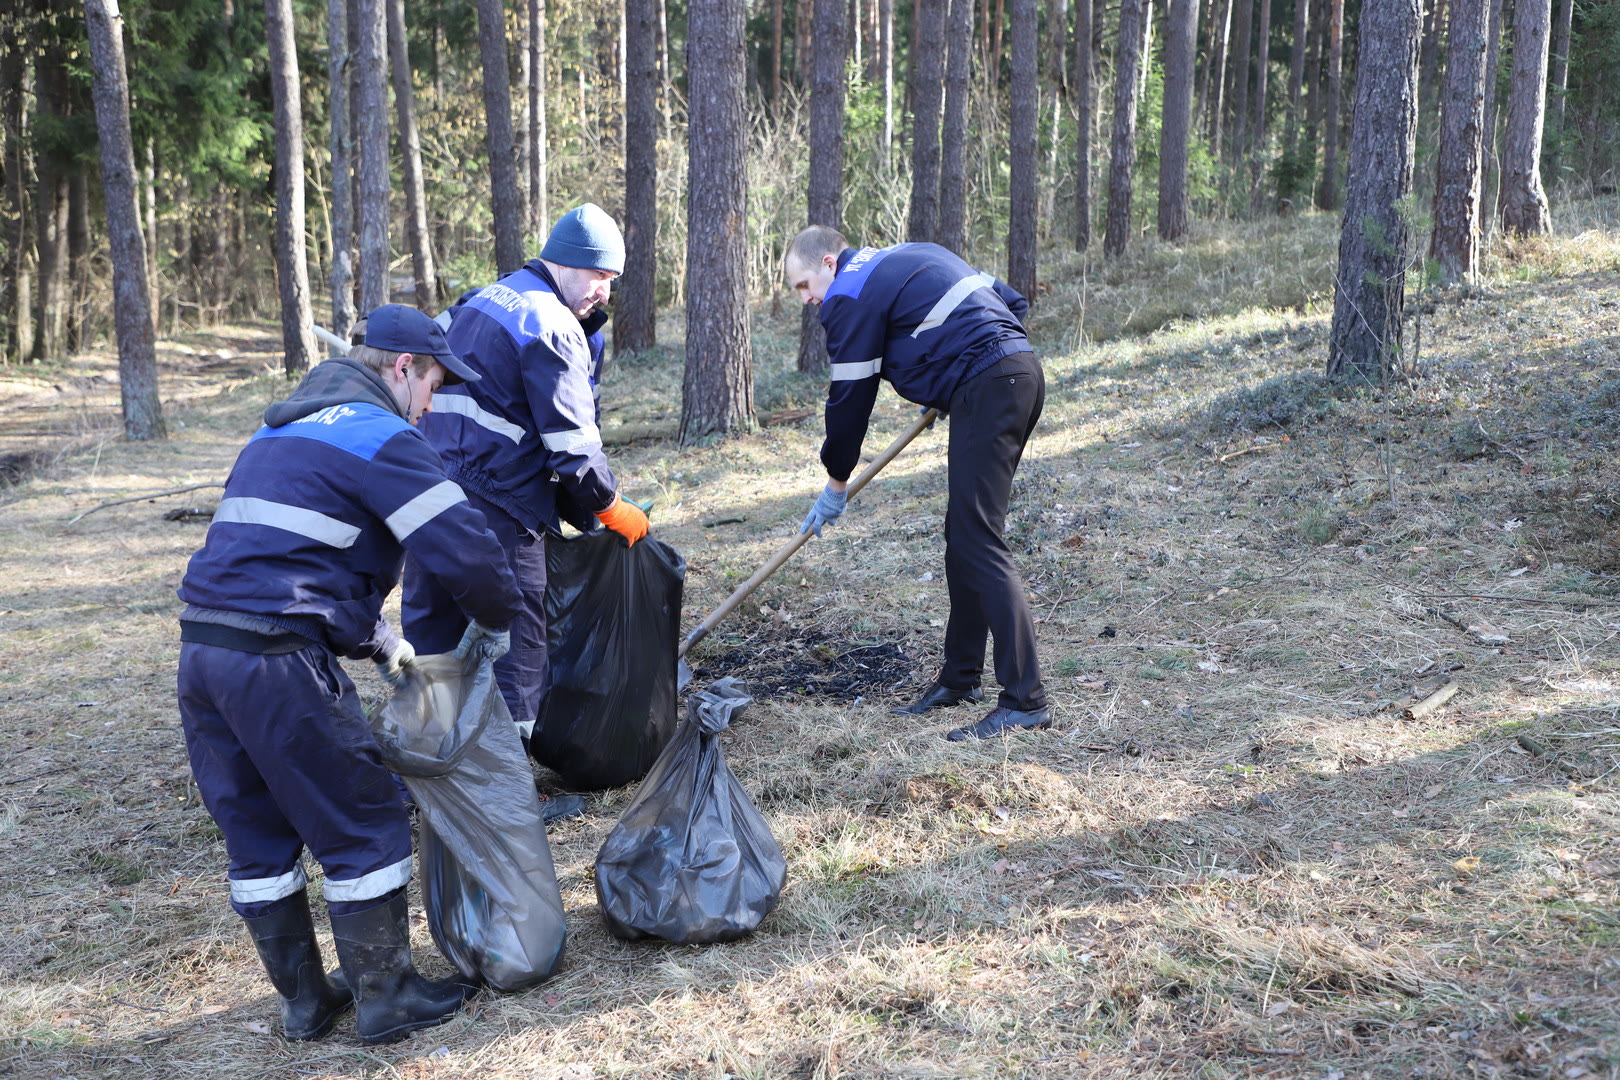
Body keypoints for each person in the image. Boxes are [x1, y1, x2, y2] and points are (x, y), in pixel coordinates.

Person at [176, 304, 523, 1044]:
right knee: (362, 815)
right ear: (402, 368)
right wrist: (497, 621)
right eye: (433, 385)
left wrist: (378, 640)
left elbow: (291, 558)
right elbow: (463, 547)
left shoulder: (279, 431)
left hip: (204, 655)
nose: (431, 405)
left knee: (258, 833)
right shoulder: (382, 436)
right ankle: (389, 996)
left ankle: (304, 1000)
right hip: (276, 663)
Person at [403, 204, 647, 814]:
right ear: (567, 263)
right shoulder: (551, 325)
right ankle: (508, 797)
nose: (604, 290)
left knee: (432, 626)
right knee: (517, 637)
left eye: (612, 280)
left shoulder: (480, 300)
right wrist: (610, 509)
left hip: (429, 490)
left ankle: (433, 772)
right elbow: (572, 447)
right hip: (500, 504)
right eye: (601, 277)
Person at [785, 225, 1050, 741]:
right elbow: (1011, 302)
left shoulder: (846, 295)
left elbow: (848, 404)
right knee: (965, 535)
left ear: (828, 262)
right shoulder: (909, 254)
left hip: (991, 384)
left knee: (978, 540)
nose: (808, 300)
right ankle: (960, 677)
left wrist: (835, 482)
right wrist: (959, 361)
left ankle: (1025, 699)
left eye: (803, 285)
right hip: (1019, 374)